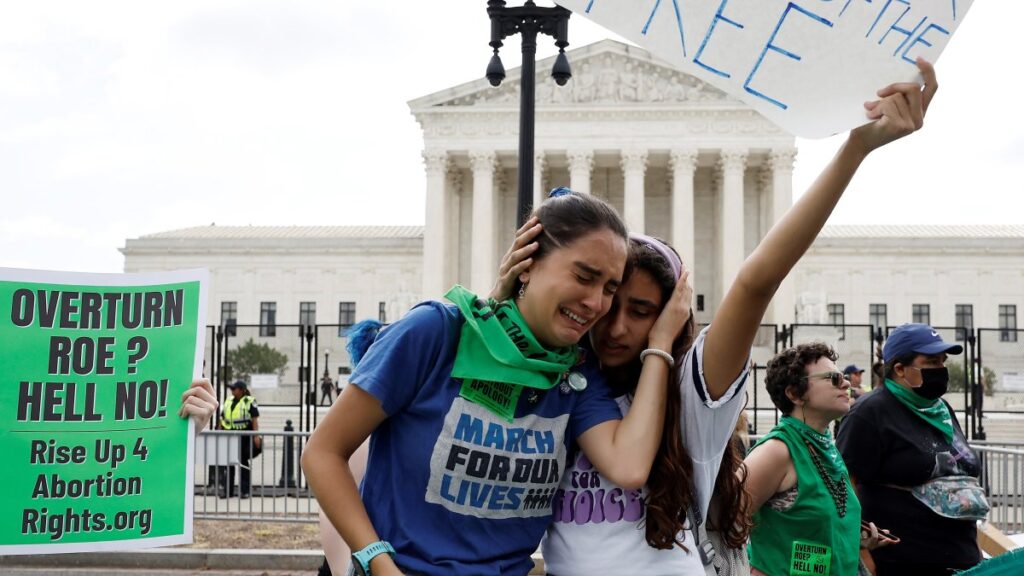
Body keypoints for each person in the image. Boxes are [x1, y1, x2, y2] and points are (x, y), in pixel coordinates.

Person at [302, 191, 691, 576]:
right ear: (527, 263)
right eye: (584, 276)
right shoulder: (435, 333)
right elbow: (323, 453)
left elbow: (629, 464)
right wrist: (378, 563)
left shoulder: (575, 376)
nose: (596, 303)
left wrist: (659, 345)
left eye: (609, 287)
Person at [837, 323, 987, 575]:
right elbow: (842, 489)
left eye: (942, 361)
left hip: (962, 560)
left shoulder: (941, 410)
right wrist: (863, 557)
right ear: (899, 369)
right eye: (931, 362)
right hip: (902, 563)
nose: (940, 370)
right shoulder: (870, 412)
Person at [744, 343, 893, 576]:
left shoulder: (824, 446)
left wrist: (852, 538)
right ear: (795, 394)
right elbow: (722, 521)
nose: (845, 383)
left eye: (843, 376)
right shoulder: (777, 451)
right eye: (833, 378)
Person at [218, 380, 261, 499]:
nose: (232, 391)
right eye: (231, 389)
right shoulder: (228, 400)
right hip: (229, 435)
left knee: (242, 463)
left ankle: (244, 491)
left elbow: (254, 419)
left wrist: (256, 435)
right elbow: (222, 418)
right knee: (229, 463)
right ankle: (228, 491)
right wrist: (218, 431)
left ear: (241, 390)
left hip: (243, 435)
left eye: (234, 389)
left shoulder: (249, 401)